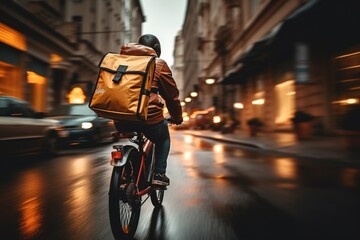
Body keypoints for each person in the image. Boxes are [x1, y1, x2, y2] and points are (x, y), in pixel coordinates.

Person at [114, 34, 183, 186]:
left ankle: (127, 174)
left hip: (121, 118)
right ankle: (159, 173)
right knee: (163, 138)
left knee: (136, 134)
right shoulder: (158, 63)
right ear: (157, 49)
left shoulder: (121, 61)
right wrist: (177, 117)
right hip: (148, 117)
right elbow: (171, 97)